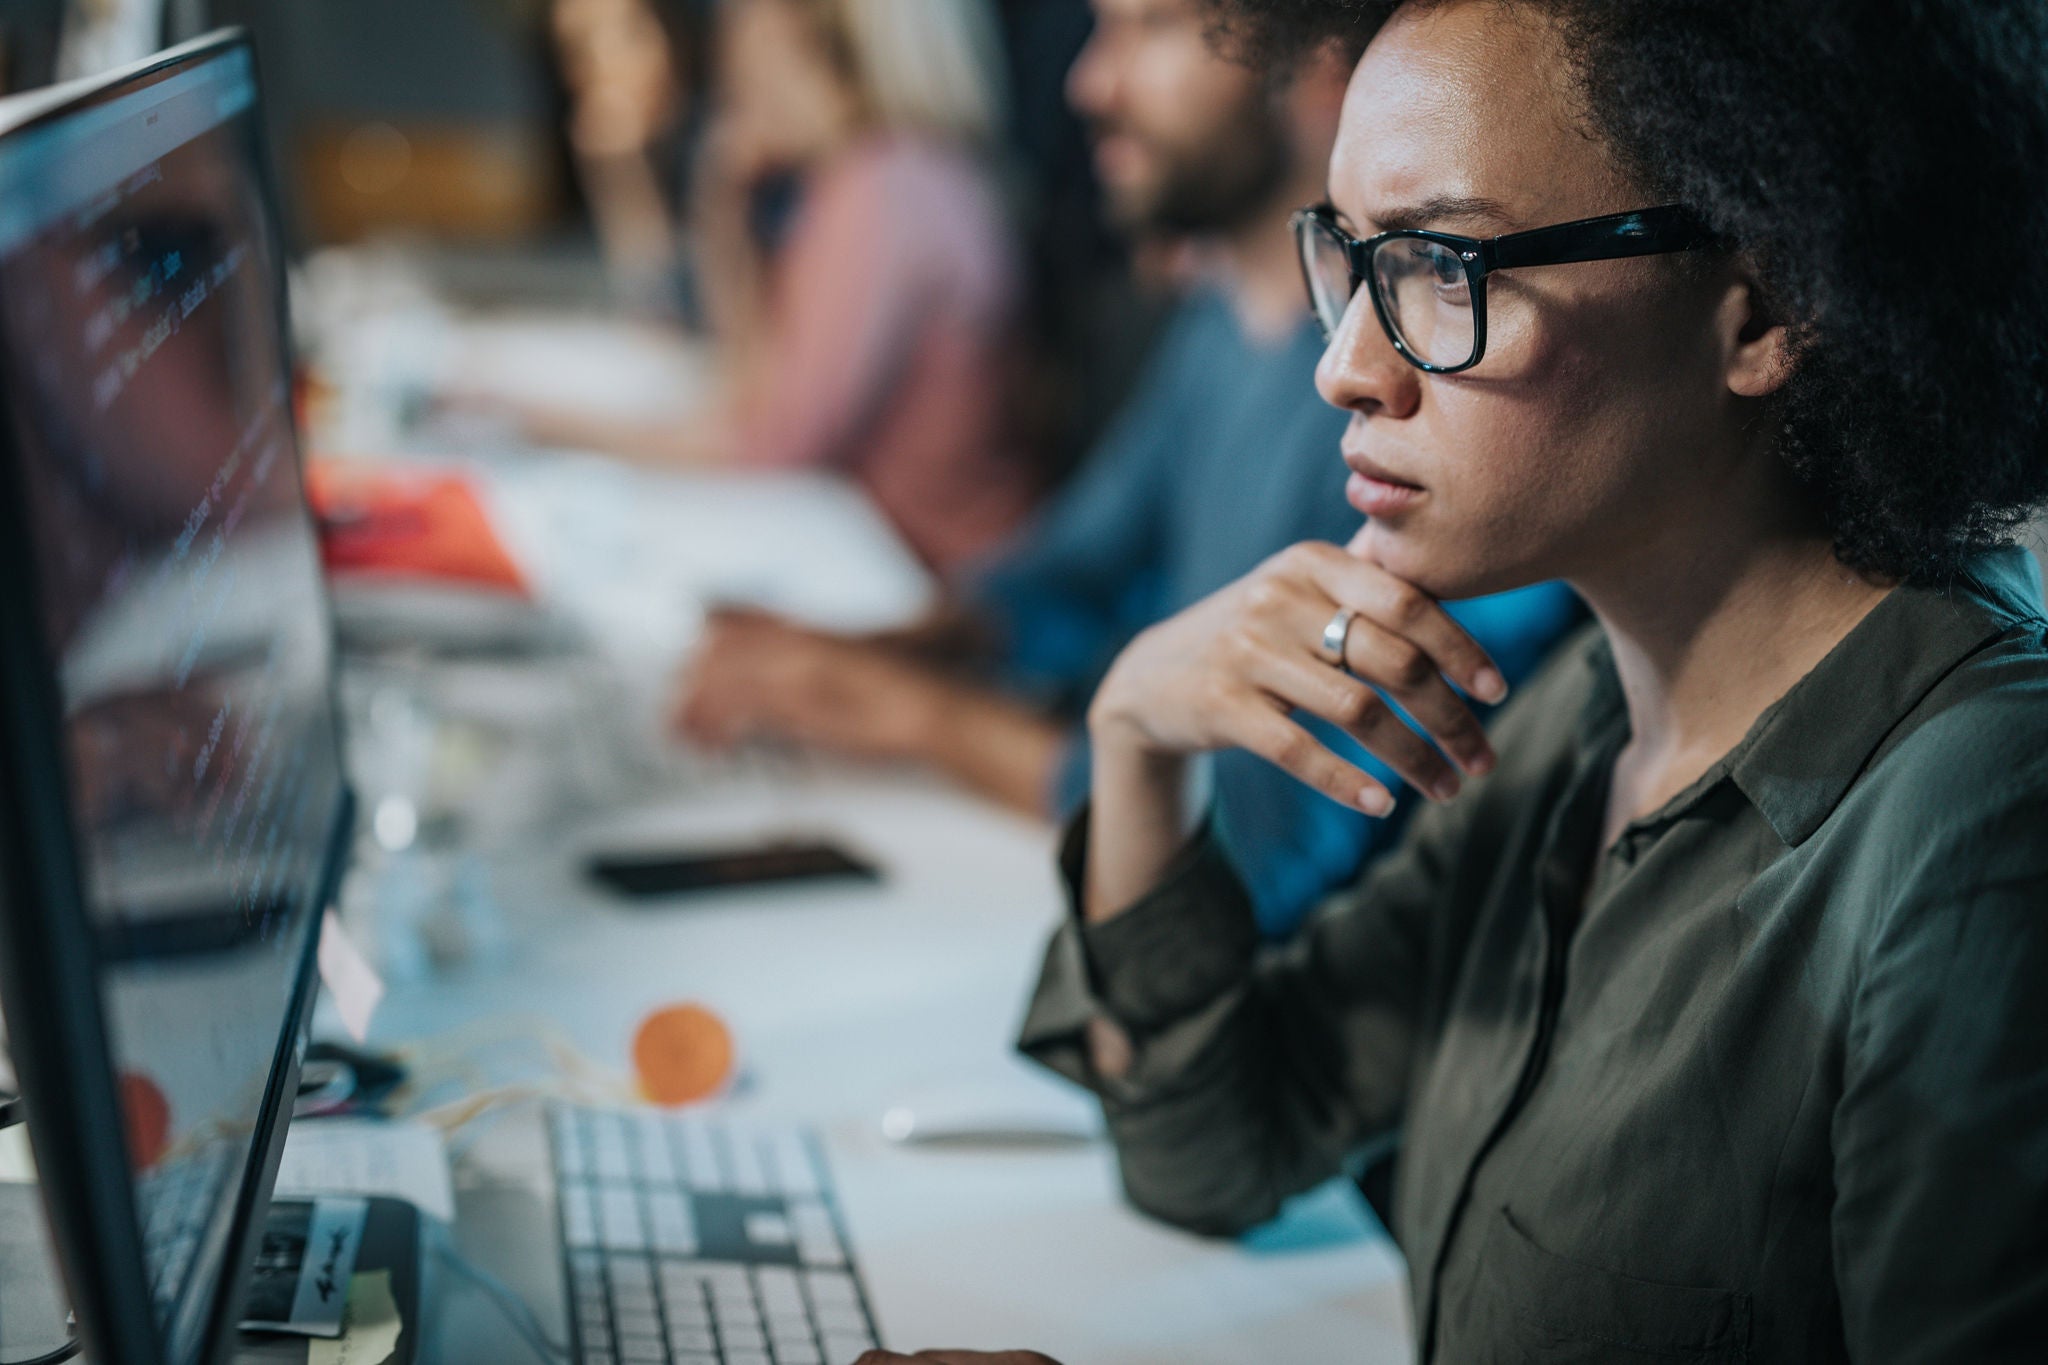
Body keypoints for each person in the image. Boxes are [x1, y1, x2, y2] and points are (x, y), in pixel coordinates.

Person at [856, 0, 2048, 1361]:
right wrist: (1138, 731)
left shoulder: (1985, 818)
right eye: (1351, 260)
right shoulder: (1590, 707)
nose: (1345, 366)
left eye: (1440, 266)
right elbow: (1214, 1146)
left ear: (1768, 304)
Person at [676, 0, 1582, 939]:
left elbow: (1266, 828)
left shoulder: (1426, 402)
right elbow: (1076, 575)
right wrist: (873, 652)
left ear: (1314, 67)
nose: (1089, 82)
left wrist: (912, 715)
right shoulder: (1220, 317)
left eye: (1150, 29)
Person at [535, 0, 1039, 575]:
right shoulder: (883, 175)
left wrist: (537, 425)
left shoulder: (885, 190)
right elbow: (750, 383)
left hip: (938, 587)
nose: (728, 61)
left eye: (745, 23)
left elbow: (767, 446)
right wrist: (723, 214)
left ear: (806, 31)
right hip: (883, 558)